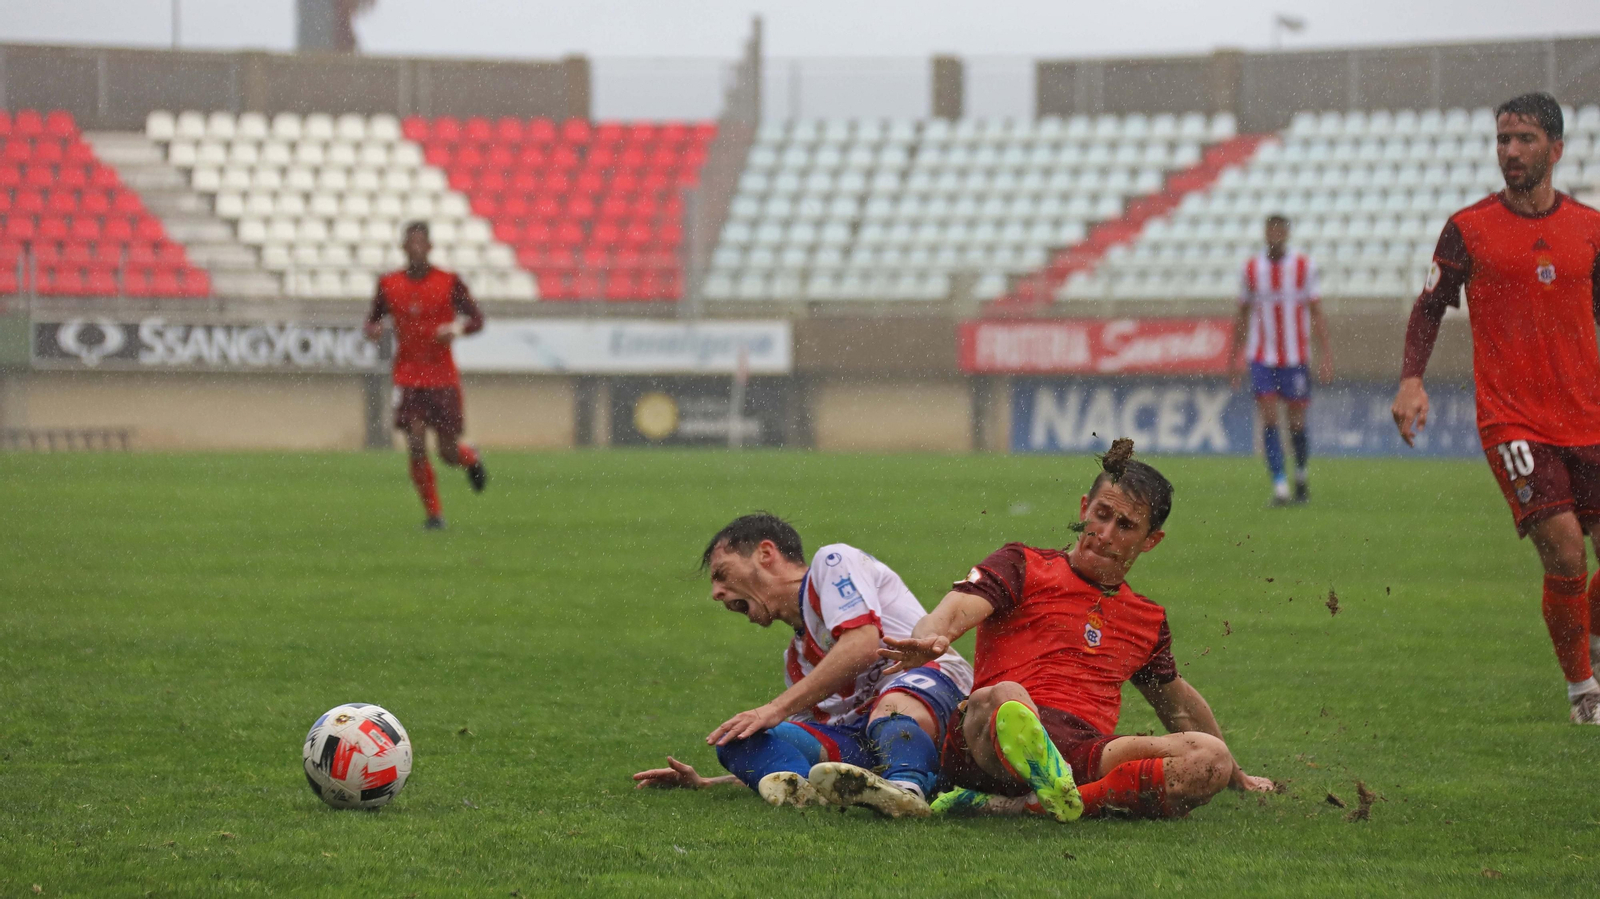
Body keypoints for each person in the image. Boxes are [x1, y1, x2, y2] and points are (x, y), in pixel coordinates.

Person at [881, 443, 1275, 821]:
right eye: (1102, 515)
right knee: (1007, 697)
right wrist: (932, 637)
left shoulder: (1146, 618)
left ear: (1150, 541)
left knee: (1210, 758)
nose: (1105, 534)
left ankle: (1035, 802)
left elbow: (1178, 705)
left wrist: (1235, 775)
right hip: (987, 741)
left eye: (1125, 525)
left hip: (1084, 752)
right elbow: (955, 609)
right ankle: (1062, 792)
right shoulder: (1023, 564)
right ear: (1085, 508)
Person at [1392, 91, 1600, 725]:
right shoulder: (1468, 226)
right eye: (1503, 140)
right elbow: (1429, 307)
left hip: (1590, 415)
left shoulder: (1590, 229)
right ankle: (1582, 692)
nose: (1511, 151)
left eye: (1526, 139)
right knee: (1564, 549)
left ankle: (1586, 636)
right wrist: (1410, 381)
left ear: (1556, 150)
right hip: (1514, 420)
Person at [631, 513, 974, 817]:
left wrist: (775, 708)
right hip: (868, 738)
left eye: (722, 574)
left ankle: (908, 788)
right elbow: (806, 738)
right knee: (738, 738)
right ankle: (809, 796)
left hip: (942, 698)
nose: (716, 593)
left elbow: (863, 646)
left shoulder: (833, 563)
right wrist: (710, 783)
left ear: (766, 554)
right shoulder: (796, 662)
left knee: (892, 706)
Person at [363, 221, 487, 530]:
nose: (416, 248)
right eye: (411, 243)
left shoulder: (449, 282)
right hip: (408, 377)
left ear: (429, 248)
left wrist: (456, 329)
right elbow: (371, 320)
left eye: (422, 243)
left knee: (447, 452)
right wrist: (373, 330)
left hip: (442, 377)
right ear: (404, 248)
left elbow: (477, 319)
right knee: (416, 442)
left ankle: (469, 457)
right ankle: (434, 515)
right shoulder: (389, 284)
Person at [1227, 214, 1334, 505]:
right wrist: (1233, 358)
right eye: (1270, 229)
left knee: (1297, 423)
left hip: (1295, 356)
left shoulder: (1303, 267)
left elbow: (1316, 311)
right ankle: (1280, 486)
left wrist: (1325, 355)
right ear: (1265, 233)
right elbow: (1242, 314)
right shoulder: (1250, 268)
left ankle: (1300, 473)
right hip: (1261, 356)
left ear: (1286, 233)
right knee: (1270, 419)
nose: (1275, 234)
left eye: (1279, 229)